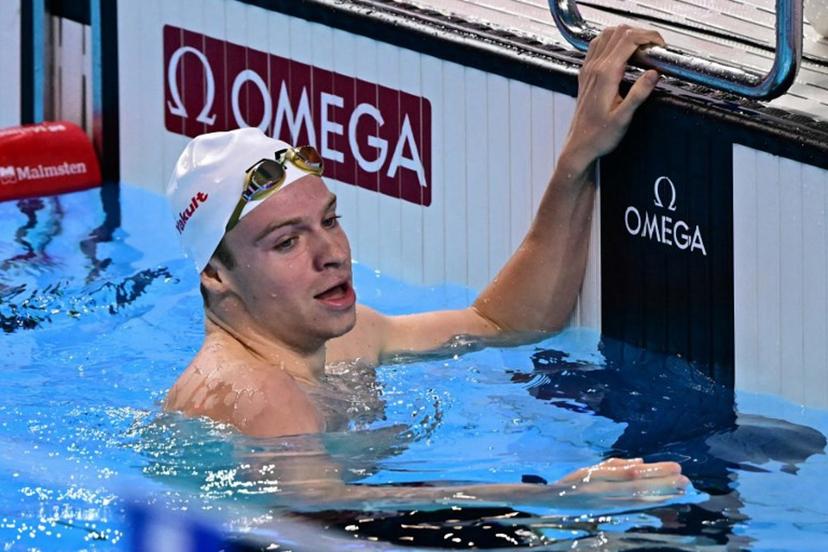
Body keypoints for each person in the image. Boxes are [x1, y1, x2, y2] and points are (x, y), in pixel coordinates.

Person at [163, 25, 689, 508]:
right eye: (287, 243)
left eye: (330, 219)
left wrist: (577, 160)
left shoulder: (339, 339)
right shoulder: (263, 398)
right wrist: (553, 499)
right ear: (216, 274)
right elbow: (325, 518)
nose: (332, 253)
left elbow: (504, 324)